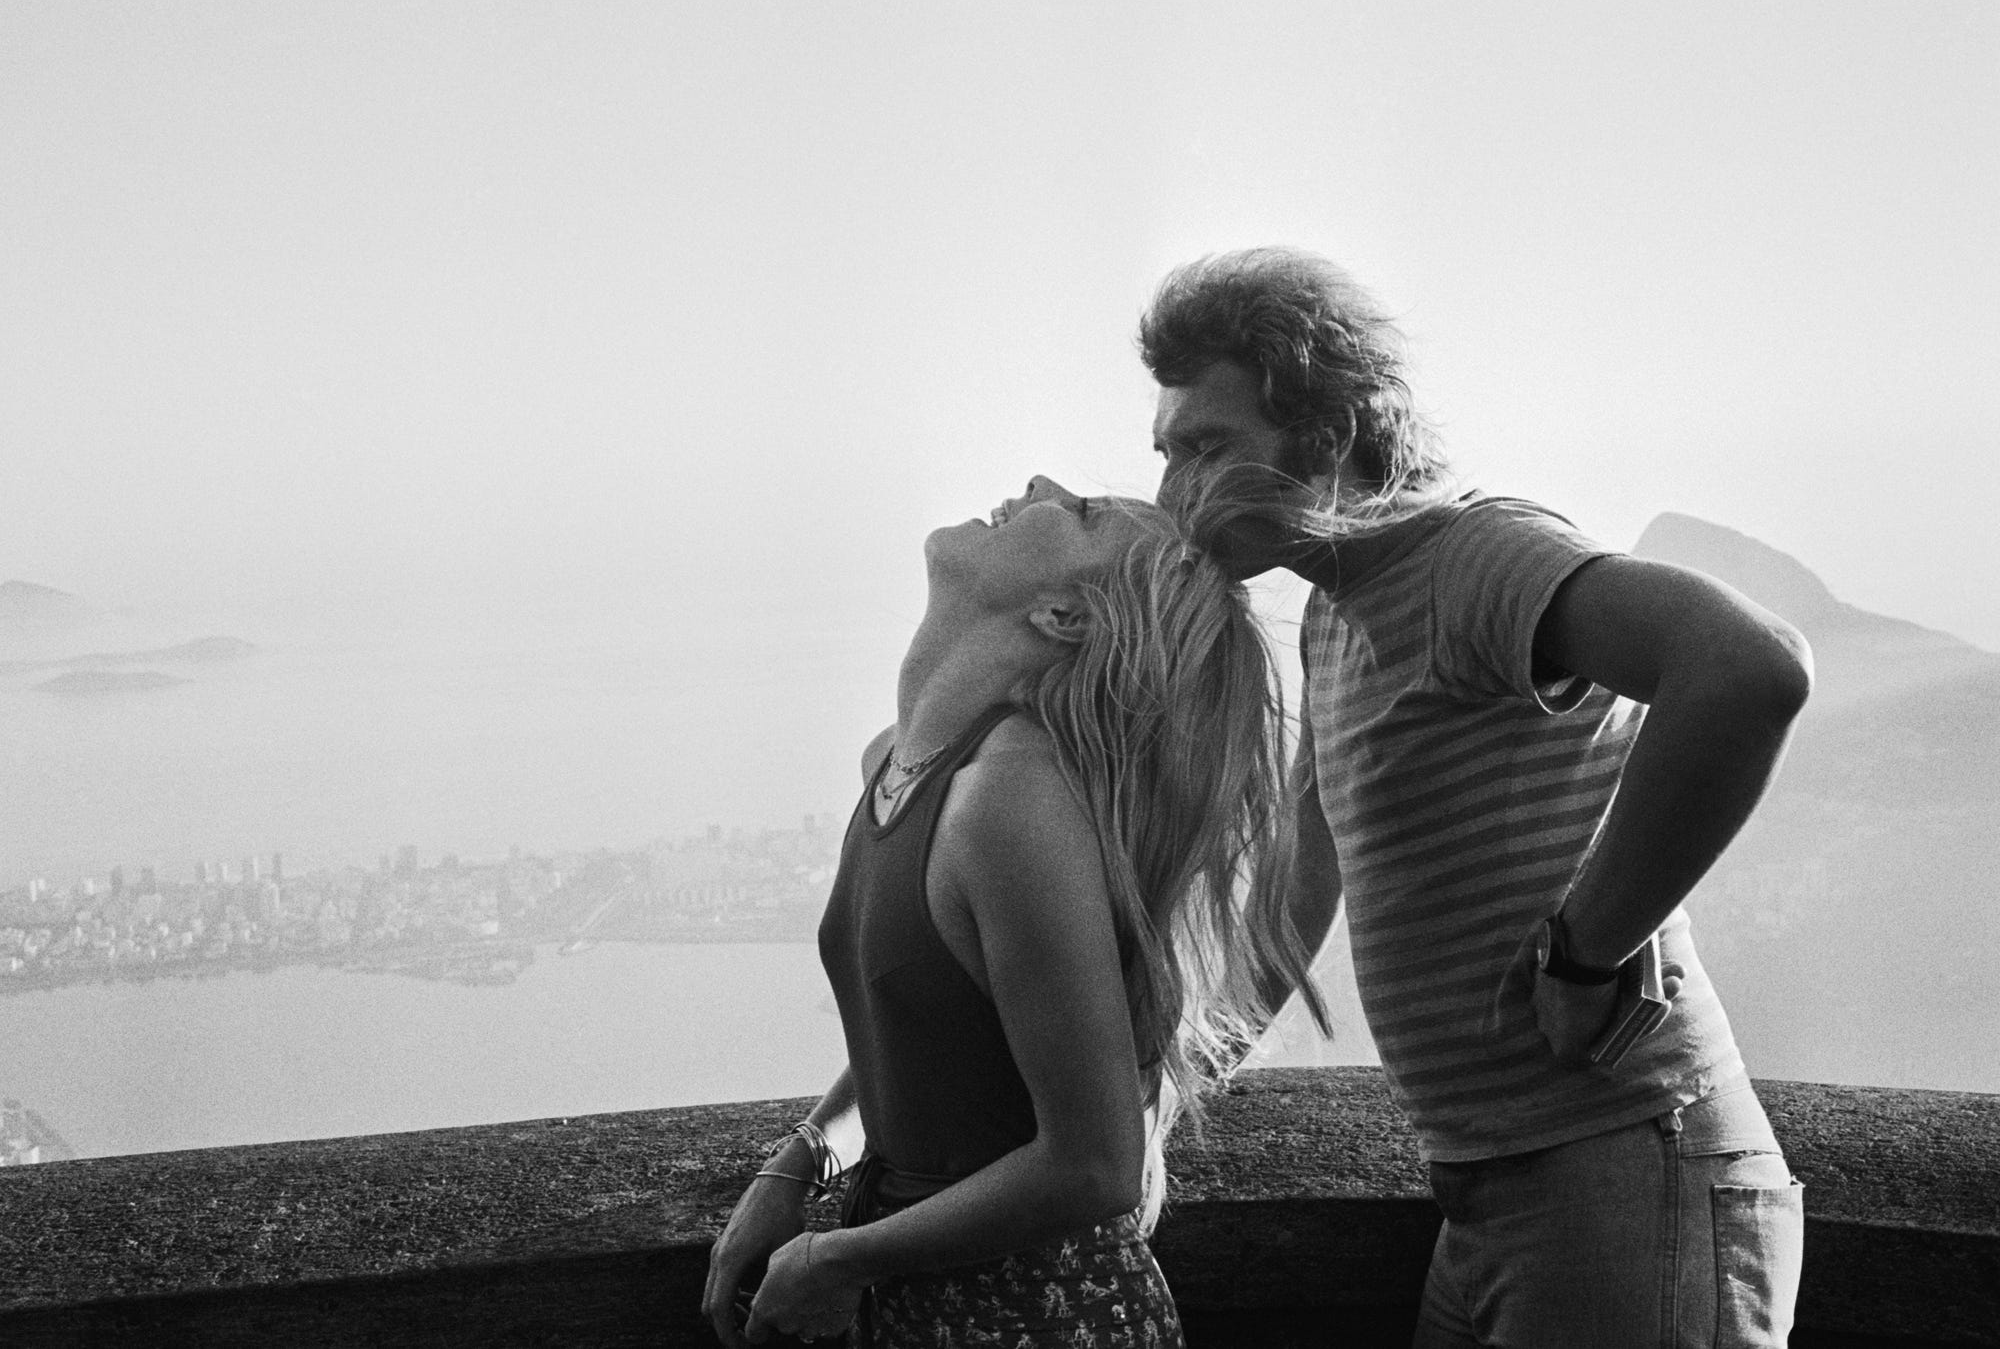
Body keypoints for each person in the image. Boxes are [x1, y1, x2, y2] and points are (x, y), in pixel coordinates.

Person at [1138, 248, 1812, 1348]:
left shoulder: (1469, 559)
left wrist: (1586, 949)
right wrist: (1173, 1082)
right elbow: (1305, 879)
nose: (1176, 494)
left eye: (1207, 446)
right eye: (1166, 453)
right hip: (1485, 1187)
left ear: (1322, 436)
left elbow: (1745, 669)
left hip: (1615, 1158)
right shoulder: (1332, 615)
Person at [702, 475, 1326, 1348]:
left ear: (1064, 616)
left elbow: (1098, 1163)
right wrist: (805, 1153)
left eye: (1079, 513)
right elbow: (931, 1028)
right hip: (925, 1293)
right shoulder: (901, 764)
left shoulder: (1012, 802)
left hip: (1039, 1311)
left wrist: (837, 1261)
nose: (1039, 484)